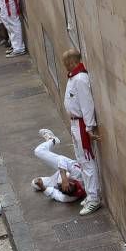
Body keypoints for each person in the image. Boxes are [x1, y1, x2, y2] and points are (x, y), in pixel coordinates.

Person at [62, 49, 102, 216]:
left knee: (87, 161)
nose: (65, 66)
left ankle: (94, 198)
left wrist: (89, 127)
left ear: (72, 62)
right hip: (74, 124)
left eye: (66, 63)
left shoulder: (80, 79)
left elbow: (87, 104)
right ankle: (89, 193)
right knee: (80, 159)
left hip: (81, 125)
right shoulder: (73, 77)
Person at [32, 129, 86, 203]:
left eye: (66, 187)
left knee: (34, 184)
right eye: (70, 184)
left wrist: (42, 186)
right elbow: (62, 159)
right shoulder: (78, 175)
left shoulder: (67, 197)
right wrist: (64, 178)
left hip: (56, 179)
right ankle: (53, 140)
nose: (68, 185)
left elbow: (54, 194)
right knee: (38, 151)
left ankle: (52, 184)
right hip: (66, 169)